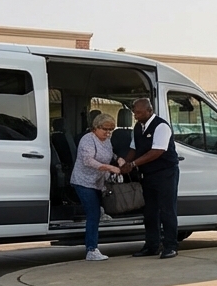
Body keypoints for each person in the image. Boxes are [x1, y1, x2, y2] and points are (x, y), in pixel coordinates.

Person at [120, 98, 180, 259]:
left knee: (167, 210)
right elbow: (134, 147)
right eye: (134, 113)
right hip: (148, 175)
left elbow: (157, 151)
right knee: (150, 212)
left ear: (149, 111)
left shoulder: (161, 126)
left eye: (139, 113)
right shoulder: (138, 128)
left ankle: (170, 246)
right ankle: (151, 245)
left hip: (165, 173)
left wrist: (132, 164)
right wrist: (125, 163)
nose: (136, 116)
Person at [70, 113, 124, 261]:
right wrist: (109, 167)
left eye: (111, 130)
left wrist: (117, 158)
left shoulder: (106, 140)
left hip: (98, 182)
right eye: (105, 129)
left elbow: (109, 152)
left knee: (95, 212)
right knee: (93, 214)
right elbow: (88, 160)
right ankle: (91, 249)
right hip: (84, 181)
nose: (108, 133)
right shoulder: (87, 140)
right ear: (95, 127)